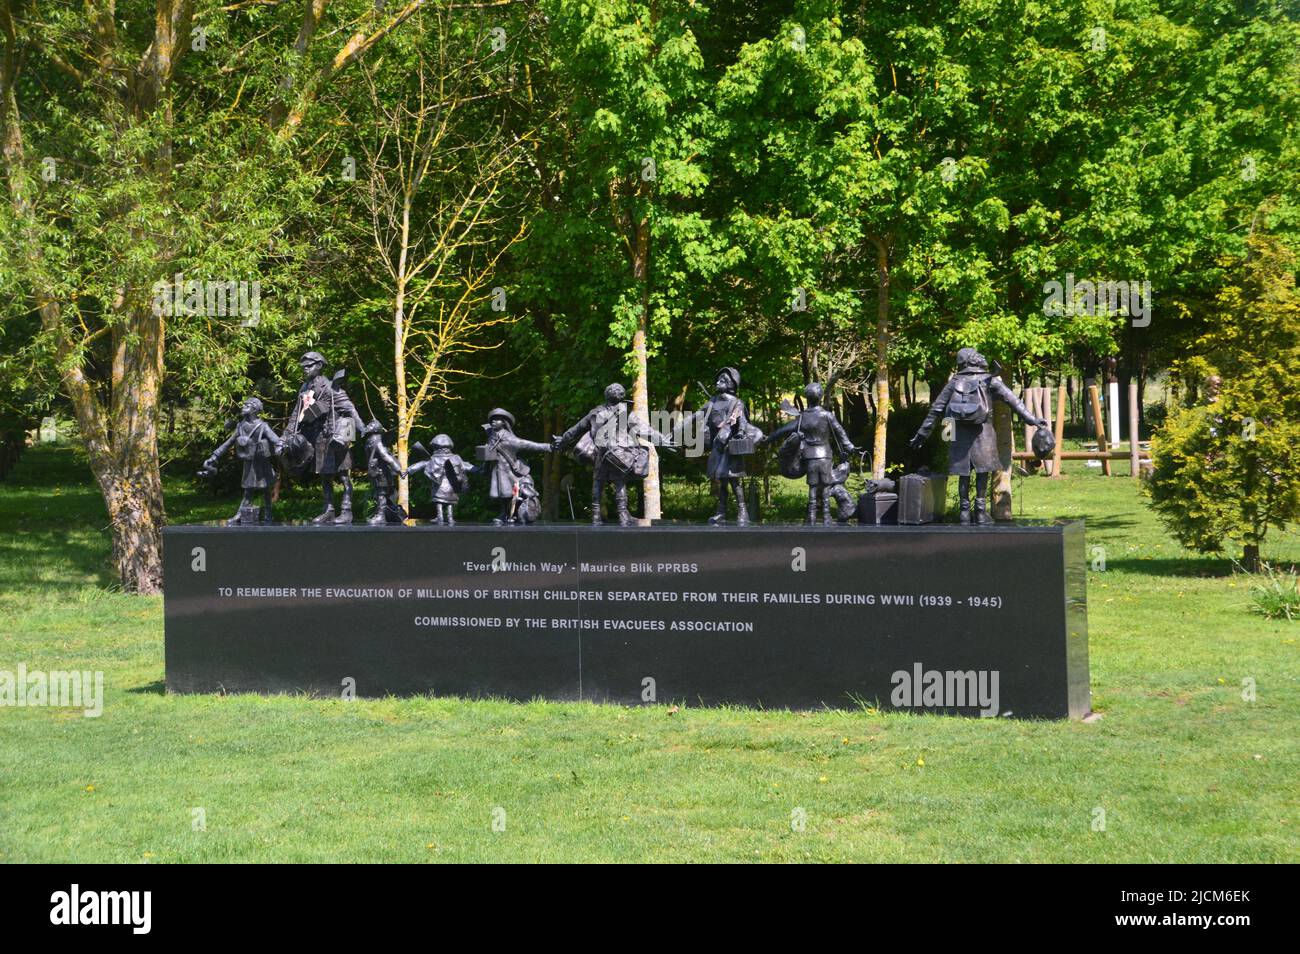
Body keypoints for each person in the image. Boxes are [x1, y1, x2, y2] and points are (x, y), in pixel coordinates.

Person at [909, 348, 1047, 525]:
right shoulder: (990, 380)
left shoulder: (955, 381)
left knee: (963, 475)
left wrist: (922, 434)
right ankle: (981, 513)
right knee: (983, 473)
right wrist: (1033, 420)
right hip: (984, 432)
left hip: (958, 433)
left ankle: (964, 513)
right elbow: (1014, 401)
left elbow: (936, 409)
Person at [552, 383, 675, 526]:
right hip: (619, 454)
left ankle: (596, 517)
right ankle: (623, 516)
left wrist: (562, 441)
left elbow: (575, 430)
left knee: (598, 482)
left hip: (601, 455)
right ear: (621, 397)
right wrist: (663, 441)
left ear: (606, 396)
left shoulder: (595, 413)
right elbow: (645, 430)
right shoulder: (625, 413)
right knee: (619, 482)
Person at [281, 351, 365, 524]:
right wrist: (285, 435)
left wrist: (363, 429)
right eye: (303, 367)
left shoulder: (330, 387)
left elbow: (349, 408)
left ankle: (347, 510)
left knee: (343, 475)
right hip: (318, 439)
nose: (305, 370)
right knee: (324, 476)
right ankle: (328, 510)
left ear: (319, 366)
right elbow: (296, 415)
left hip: (336, 437)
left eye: (309, 366)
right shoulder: (304, 389)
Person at [760, 382, 859, 525]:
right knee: (825, 485)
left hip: (809, 456)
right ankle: (826, 517)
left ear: (807, 398)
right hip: (825, 455)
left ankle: (812, 517)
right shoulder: (827, 415)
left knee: (812, 486)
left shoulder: (802, 417)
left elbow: (783, 430)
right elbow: (840, 432)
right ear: (820, 397)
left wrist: (768, 439)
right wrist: (849, 446)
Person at [685, 366, 762, 526]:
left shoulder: (736, 403)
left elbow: (742, 422)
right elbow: (696, 415)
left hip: (730, 448)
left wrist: (739, 431)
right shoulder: (712, 402)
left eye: (723, 380)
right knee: (721, 480)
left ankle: (742, 511)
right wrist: (679, 427)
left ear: (731, 384)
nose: (718, 382)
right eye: (718, 379)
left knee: (734, 480)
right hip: (717, 447)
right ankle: (721, 512)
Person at [201, 397, 284, 525]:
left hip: (261, 463)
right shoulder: (241, 426)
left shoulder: (263, 426)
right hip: (249, 463)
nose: (243, 407)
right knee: (248, 490)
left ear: (255, 409)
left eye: (247, 405)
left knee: (266, 489)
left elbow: (276, 440)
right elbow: (228, 443)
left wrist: (281, 446)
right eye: (243, 405)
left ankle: (268, 514)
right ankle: (240, 513)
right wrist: (215, 456)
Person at [480, 408, 550, 525]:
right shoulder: (492, 436)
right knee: (503, 495)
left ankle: (510, 514)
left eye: (497, 420)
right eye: (492, 419)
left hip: (510, 472)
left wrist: (548, 446)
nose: (493, 422)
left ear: (504, 422)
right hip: (497, 469)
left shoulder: (510, 438)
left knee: (511, 494)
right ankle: (505, 514)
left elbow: (529, 445)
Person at [407, 434, 476, 526]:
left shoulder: (434, 459)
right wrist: (479, 469)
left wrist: (408, 470)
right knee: (449, 503)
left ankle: (440, 517)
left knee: (439, 502)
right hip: (451, 486)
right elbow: (467, 466)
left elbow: (421, 464)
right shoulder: (456, 458)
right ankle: (450, 518)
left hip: (439, 485)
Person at [361, 420, 405, 525]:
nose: (368, 426)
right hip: (377, 472)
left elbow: (385, 456)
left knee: (381, 494)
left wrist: (398, 470)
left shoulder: (376, 440)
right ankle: (383, 514)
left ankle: (381, 516)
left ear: (376, 428)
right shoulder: (371, 440)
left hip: (382, 473)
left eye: (371, 425)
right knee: (381, 494)